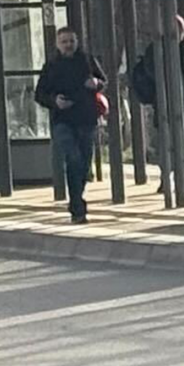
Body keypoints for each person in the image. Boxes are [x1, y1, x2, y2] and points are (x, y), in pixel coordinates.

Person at [34, 27, 106, 224]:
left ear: (77, 42)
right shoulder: (51, 65)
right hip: (63, 120)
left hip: (86, 118)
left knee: (83, 164)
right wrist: (54, 101)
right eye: (64, 42)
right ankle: (77, 207)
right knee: (72, 159)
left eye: (71, 41)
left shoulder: (86, 60)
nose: (68, 45)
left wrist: (96, 83)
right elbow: (39, 94)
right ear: (58, 44)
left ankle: (76, 199)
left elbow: (103, 80)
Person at [133, 17, 184, 193]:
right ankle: (165, 179)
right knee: (166, 144)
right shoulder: (154, 49)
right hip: (163, 104)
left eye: (177, 30)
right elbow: (151, 73)